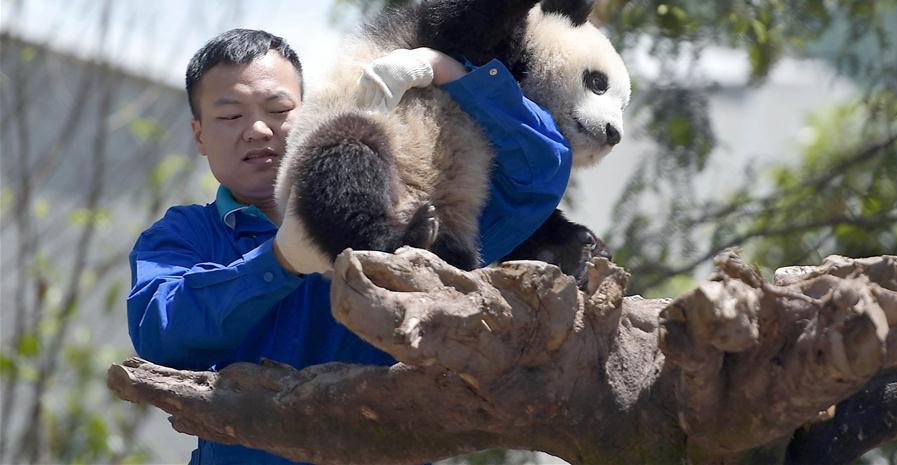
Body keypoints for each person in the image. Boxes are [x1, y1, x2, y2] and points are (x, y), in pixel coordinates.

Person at [127, 28, 571, 464]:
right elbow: (162, 335)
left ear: (310, 111)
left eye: (278, 108)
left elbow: (537, 176)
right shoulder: (181, 236)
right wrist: (279, 261)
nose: (258, 129)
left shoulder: (409, 205)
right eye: (229, 116)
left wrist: (446, 70)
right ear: (199, 135)